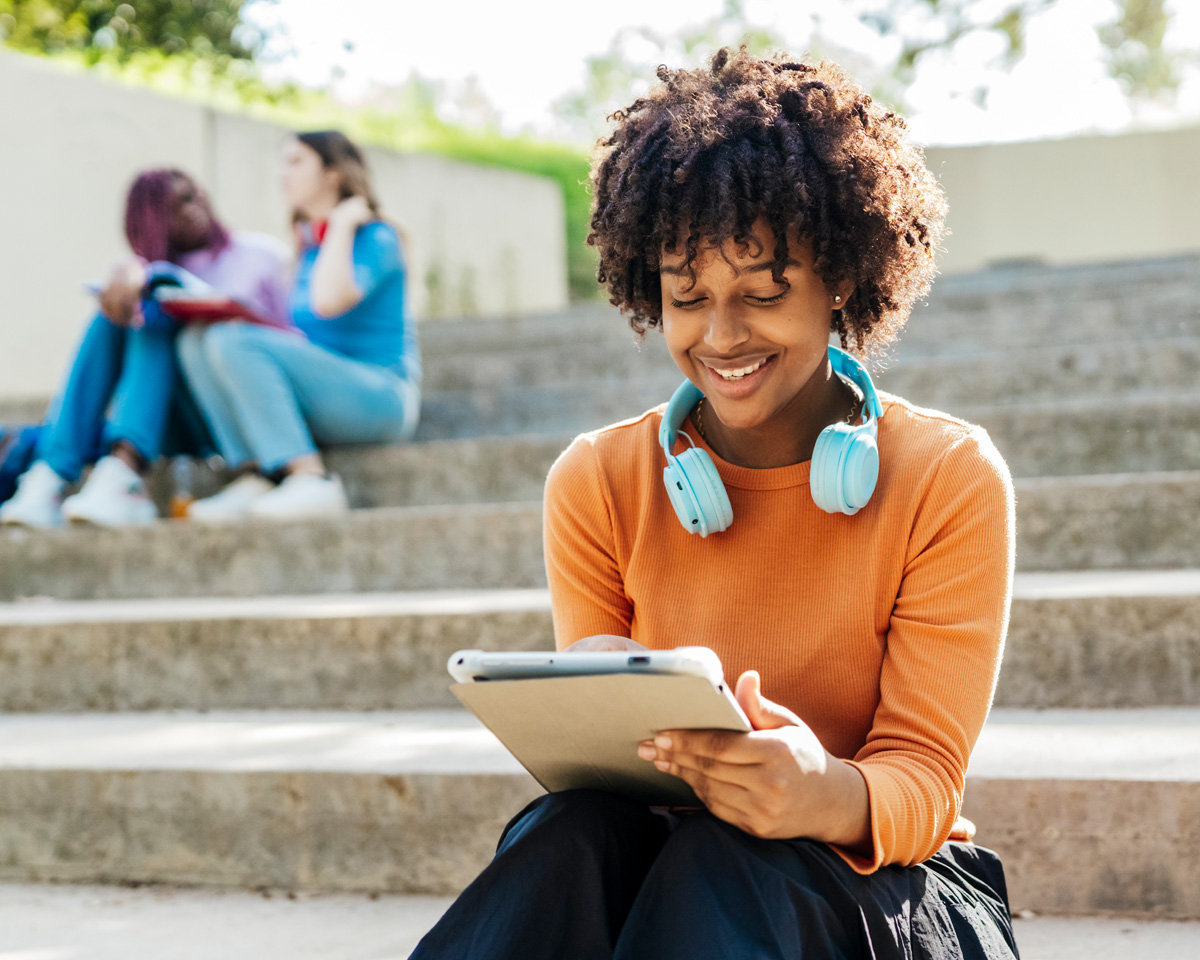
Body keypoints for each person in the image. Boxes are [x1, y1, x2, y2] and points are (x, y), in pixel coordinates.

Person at [411, 49, 1019, 960]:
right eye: (686, 297)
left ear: (841, 280)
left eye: (764, 293)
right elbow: (603, 794)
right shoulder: (598, 480)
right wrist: (597, 693)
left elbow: (924, 782)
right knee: (564, 835)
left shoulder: (946, 474)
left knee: (724, 860)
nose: (721, 337)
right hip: (671, 873)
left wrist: (820, 791)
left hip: (883, 884)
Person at [0, 170, 291, 528]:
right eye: (177, 204)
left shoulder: (260, 255)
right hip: (168, 415)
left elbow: (291, 345)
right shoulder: (149, 274)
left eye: (195, 194)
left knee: (153, 313)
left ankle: (122, 474)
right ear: (153, 218)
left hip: (233, 413)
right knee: (115, 315)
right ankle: (48, 479)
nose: (194, 206)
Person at [177, 130, 421, 522]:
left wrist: (341, 225)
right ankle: (255, 472)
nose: (282, 173)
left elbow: (328, 301)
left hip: (380, 397)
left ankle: (311, 479)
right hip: (327, 390)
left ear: (332, 175)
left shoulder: (378, 237)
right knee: (196, 340)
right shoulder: (307, 248)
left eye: (295, 162)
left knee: (233, 341)